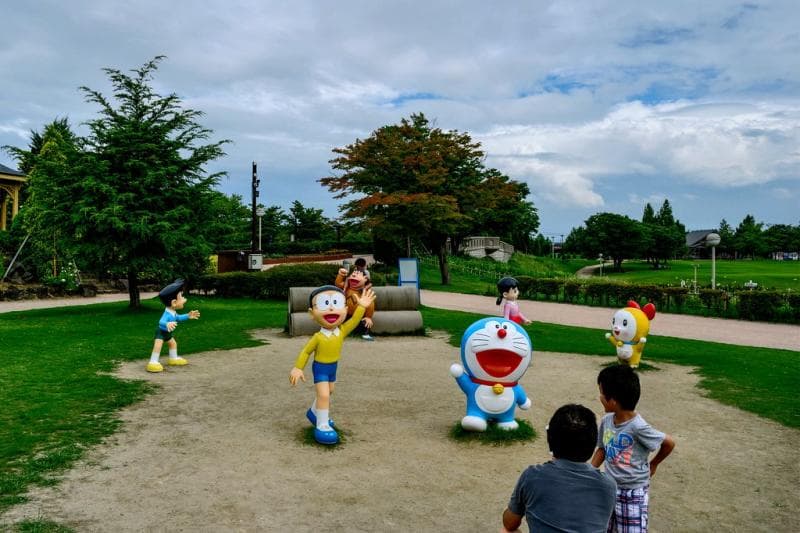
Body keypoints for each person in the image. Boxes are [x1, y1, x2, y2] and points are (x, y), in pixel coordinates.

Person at [502, 404, 617, 532]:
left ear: (550, 438)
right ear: (593, 443)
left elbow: (510, 523)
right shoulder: (609, 485)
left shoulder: (532, 476)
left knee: (507, 531)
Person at [591, 365, 675, 533]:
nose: (599, 397)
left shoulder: (638, 427)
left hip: (632, 492)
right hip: (610, 487)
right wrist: (589, 472)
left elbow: (669, 443)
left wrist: (654, 464)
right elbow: (602, 449)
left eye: (601, 393)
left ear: (613, 401)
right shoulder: (607, 421)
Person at [289, 285, 376, 444]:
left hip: (332, 367)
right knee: (324, 395)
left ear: (345, 309)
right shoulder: (318, 337)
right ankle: (322, 424)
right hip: (320, 368)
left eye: (336, 303)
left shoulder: (341, 331)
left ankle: (314, 412)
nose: (330, 308)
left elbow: (355, 320)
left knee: (329, 391)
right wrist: (298, 367)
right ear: (312, 313)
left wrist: (362, 307)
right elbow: (306, 351)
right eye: (324, 304)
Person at [146, 279, 200, 373]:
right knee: (158, 345)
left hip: (168, 332)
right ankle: (153, 362)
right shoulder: (167, 314)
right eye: (181, 297)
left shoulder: (173, 312)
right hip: (161, 333)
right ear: (174, 302)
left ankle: (173, 358)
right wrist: (167, 324)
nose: (184, 299)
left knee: (173, 343)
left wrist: (187, 316)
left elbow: (178, 318)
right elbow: (161, 322)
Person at [335, 266, 375, 341]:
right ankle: (337, 332)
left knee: (365, 322)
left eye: (357, 274)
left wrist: (368, 317)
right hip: (345, 313)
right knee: (338, 319)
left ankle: (365, 334)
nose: (353, 275)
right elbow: (338, 283)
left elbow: (370, 304)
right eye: (353, 274)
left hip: (359, 315)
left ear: (365, 279)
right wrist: (340, 275)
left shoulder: (364, 292)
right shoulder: (346, 288)